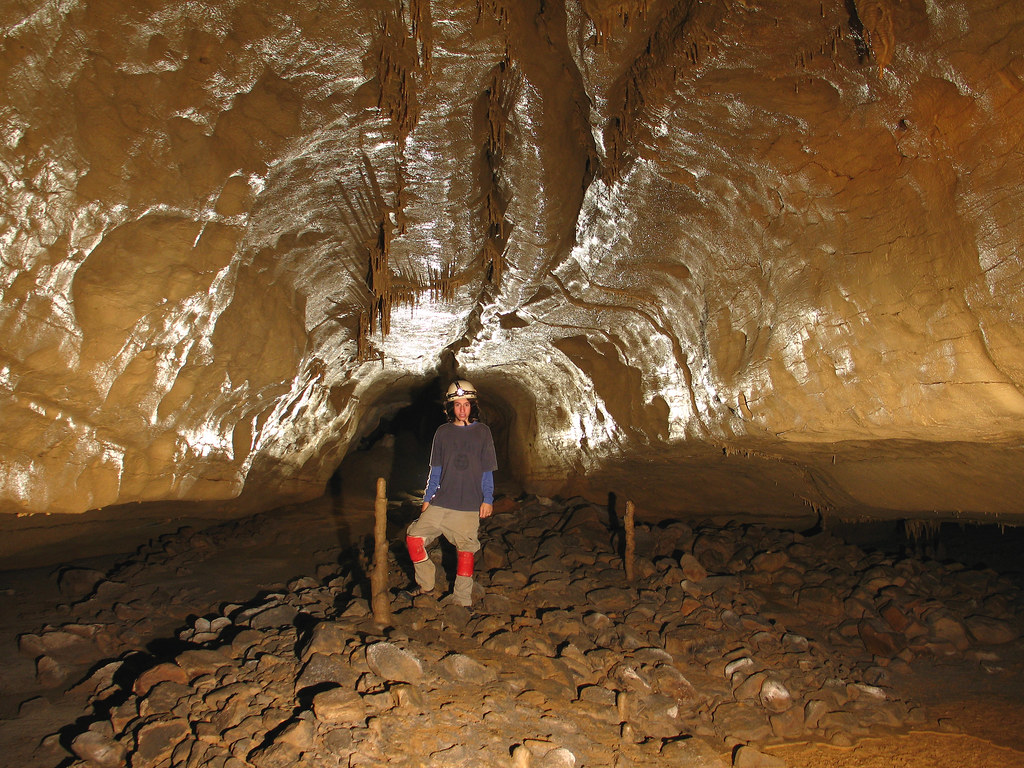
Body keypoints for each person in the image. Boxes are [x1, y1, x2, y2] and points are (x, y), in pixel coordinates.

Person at [404, 379, 497, 606]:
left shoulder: (483, 433)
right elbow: (435, 471)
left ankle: (462, 601)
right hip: (442, 502)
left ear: (473, 406)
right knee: (413, 538)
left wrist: (488, 499)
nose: (462, 409)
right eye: (457, 405)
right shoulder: (443, 433)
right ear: (450, 408)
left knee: (465, 551)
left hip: (468, 505)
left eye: (466, 404)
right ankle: (426, 584)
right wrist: (427, 499)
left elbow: (487, 471)